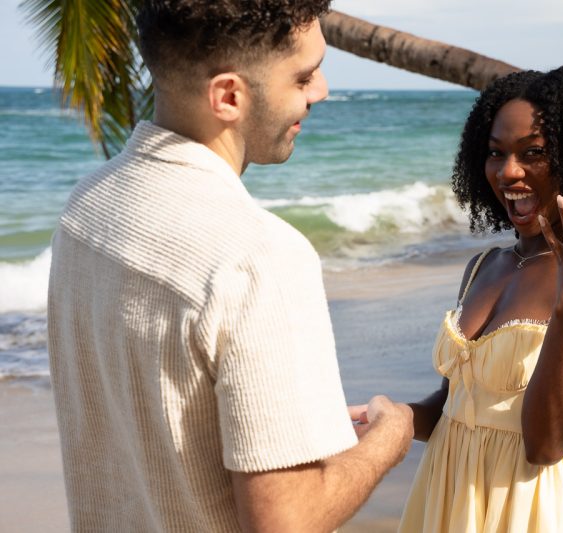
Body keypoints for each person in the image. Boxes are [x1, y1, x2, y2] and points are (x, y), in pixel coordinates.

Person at [47, 1, 412, 531]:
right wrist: (389, 438)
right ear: (228, 96)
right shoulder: (258, 257)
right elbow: (287, 521)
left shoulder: (86, 207)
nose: (322, 91)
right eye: (304, 77)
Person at [396, 66, 563, 532]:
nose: (508, 171)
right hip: (449, 502)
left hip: (537, 512)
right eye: (496, 153)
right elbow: (455, 406)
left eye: (533, 153)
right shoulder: (484, 267)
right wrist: (387, 419)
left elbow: (547, 442)